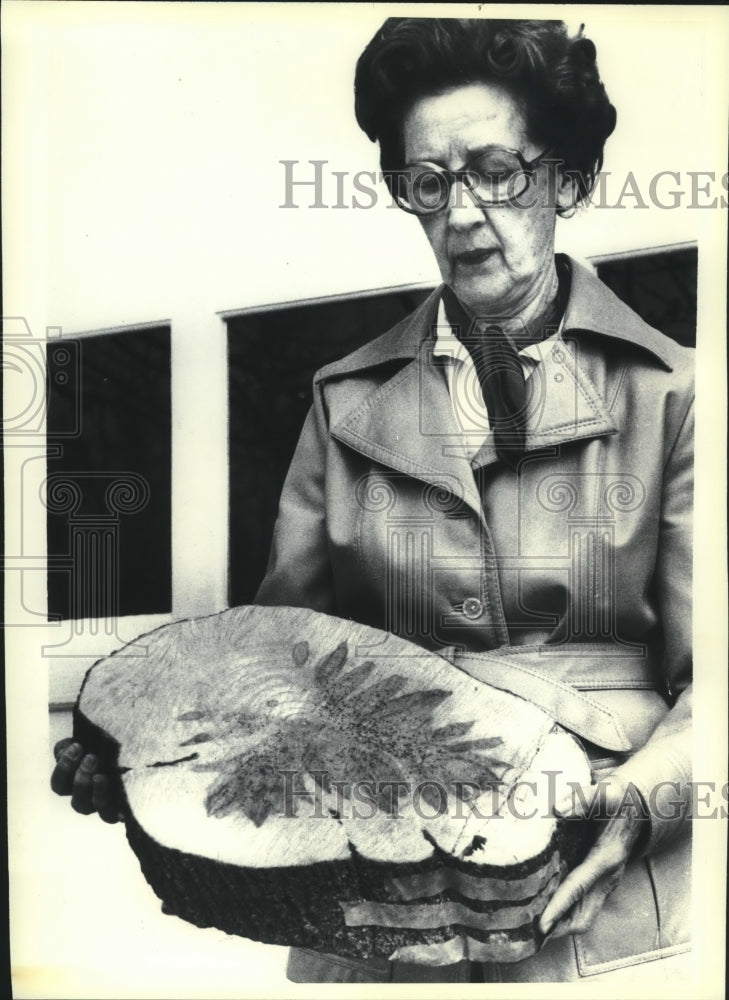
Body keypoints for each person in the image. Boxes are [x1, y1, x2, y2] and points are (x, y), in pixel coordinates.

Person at [53, 15, 694, 986]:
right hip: (367, 910)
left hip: (592, 899)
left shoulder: (676, 395)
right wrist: (158, 750)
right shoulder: (343, 401)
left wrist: (647, 797)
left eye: (496, 170)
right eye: (428, 181)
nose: (464, 212)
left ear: (564, 177)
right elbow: (279, 663)